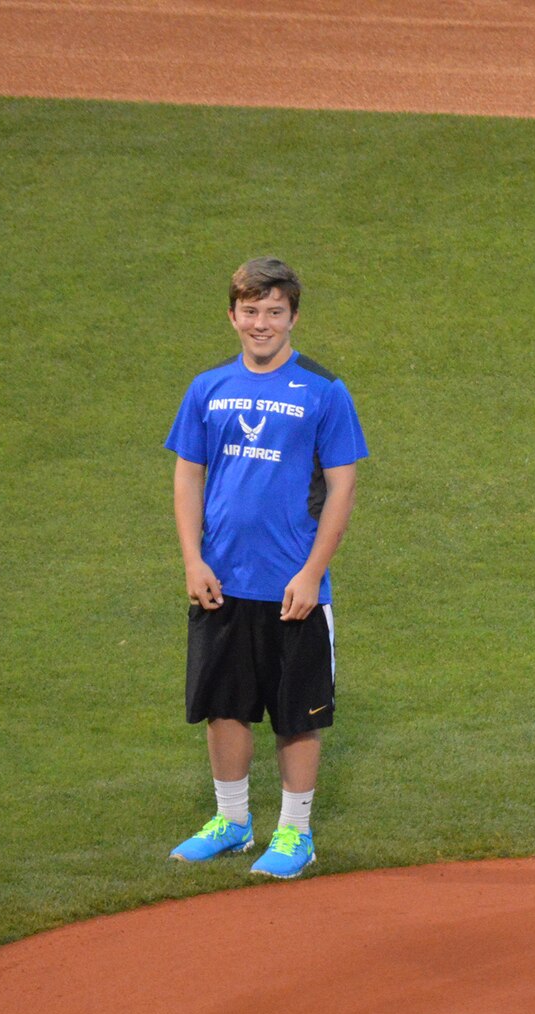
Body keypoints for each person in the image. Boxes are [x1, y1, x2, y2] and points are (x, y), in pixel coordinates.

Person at [163, 257, 368, 878]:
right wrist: (193, 559)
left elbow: (343, 488)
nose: (261, 323)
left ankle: (295, 834)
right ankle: (231, 821)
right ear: (232, 316)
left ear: (293, 317)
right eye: (250, 311)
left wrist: (311, 574)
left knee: (293, 711)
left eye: (273, 312)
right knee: (225, 705)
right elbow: (188, 474)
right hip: (221, 581)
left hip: (291, 587)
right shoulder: (208, 388)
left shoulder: (324, 390)